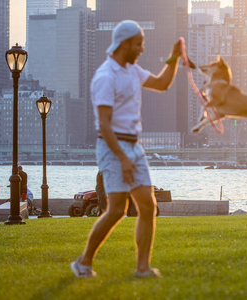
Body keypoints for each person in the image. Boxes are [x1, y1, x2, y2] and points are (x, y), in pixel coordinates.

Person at [71, 20, 182, 279]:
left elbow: (162, 83)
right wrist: (122, 158)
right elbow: (105, 126)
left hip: (134, 145)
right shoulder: (105, 77)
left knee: (147, 206)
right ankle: (83, 262)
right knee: (117, 210)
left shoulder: (132, 70)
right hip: (112, 147)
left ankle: (142, 268)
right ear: (124, 44)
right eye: (139, 43)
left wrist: (174, 57)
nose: (142, 48)